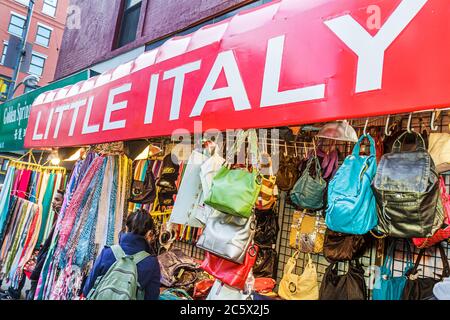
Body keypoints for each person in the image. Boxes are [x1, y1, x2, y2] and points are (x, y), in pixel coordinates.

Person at [82, 209, 161, 300]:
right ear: (149, 234)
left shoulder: (107, 252)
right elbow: (152, 296)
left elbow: (87, 290)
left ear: (126, 228)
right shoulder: (152, 263)